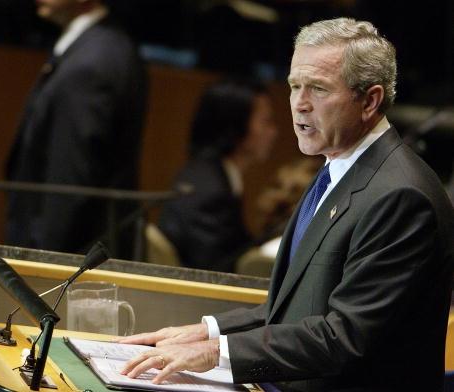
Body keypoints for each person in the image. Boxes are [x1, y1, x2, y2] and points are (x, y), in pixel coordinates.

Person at [119, 18, 454, 391]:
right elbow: (296, 311)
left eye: (319, 89)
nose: (300, 104)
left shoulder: (400, 196)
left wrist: (216, 352)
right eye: (295, 86)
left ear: (370, 100)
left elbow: (343, 336)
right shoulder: (339, 166)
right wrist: (203, 331)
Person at [5, 0, 147, 258]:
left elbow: (69, 181)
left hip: (73, 257)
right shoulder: (103, 46)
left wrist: (42, 262)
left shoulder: (91, 62)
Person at [157, 78, 278, 272]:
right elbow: (216, 270)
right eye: (266, 121)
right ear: (234, 125)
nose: (273, 132)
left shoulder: (201, 173)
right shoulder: (211, 192)